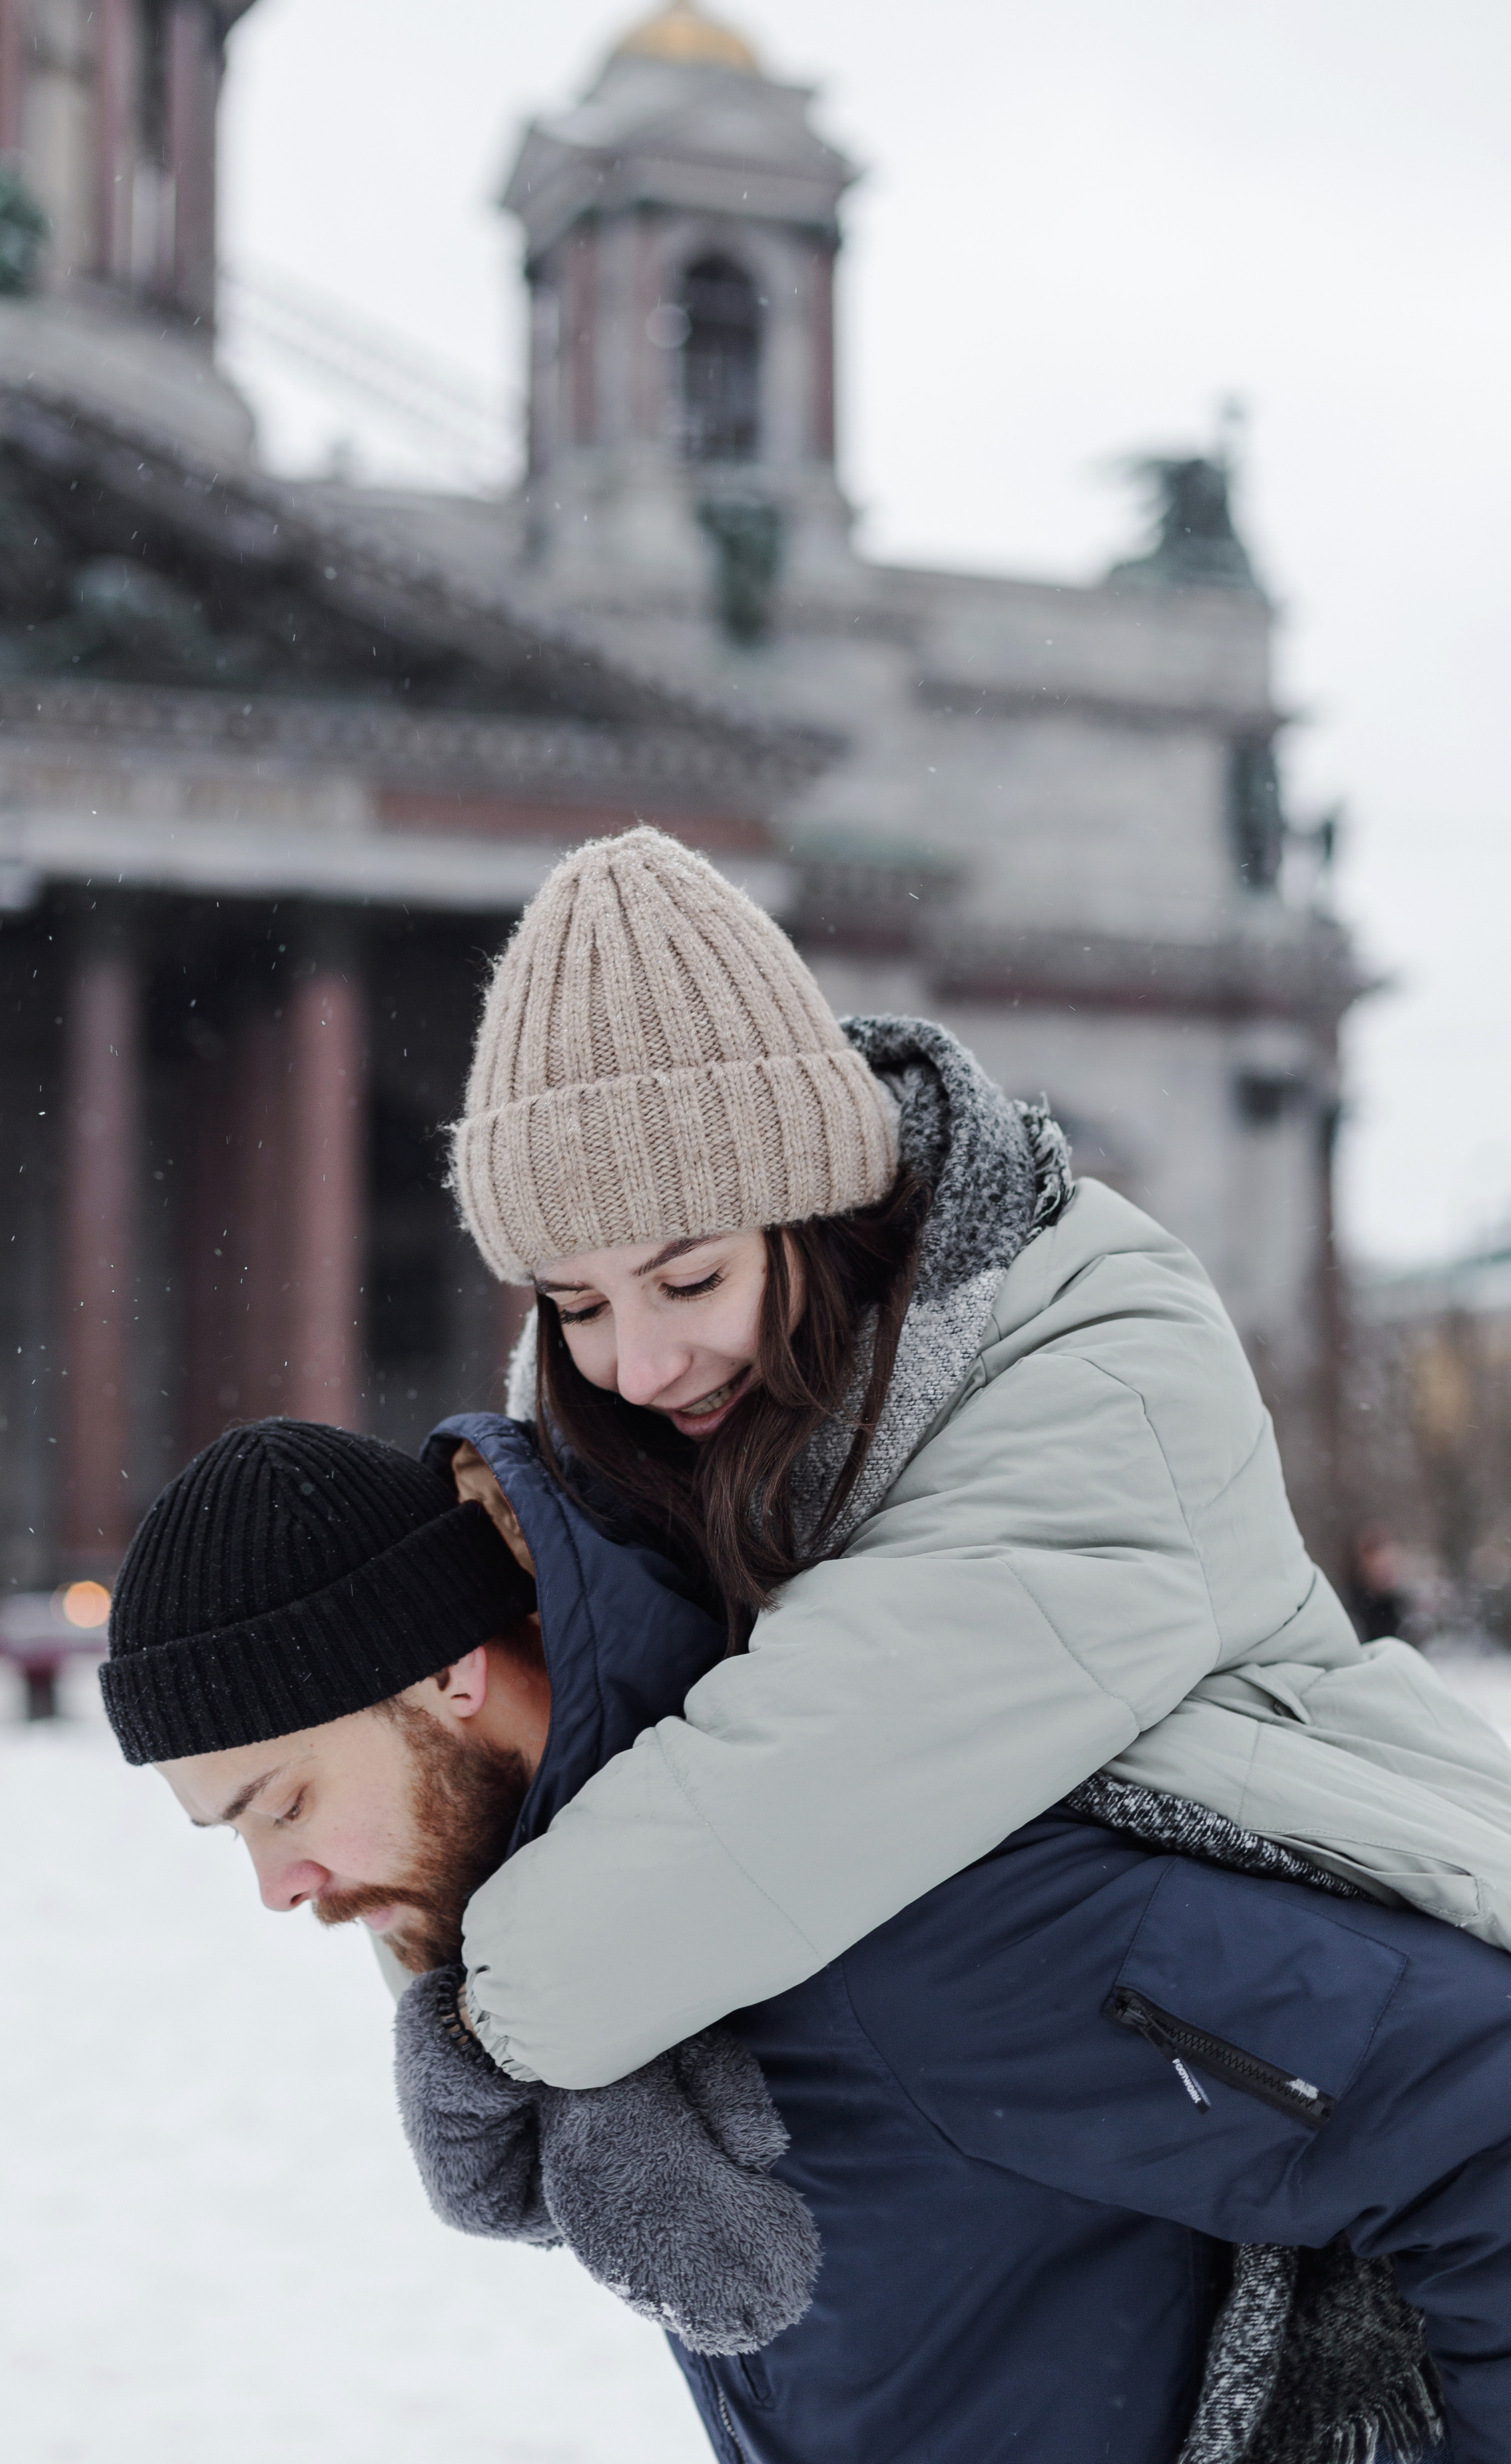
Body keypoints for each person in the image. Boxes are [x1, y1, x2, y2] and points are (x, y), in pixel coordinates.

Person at [102, 1413, 1499, 2464]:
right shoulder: (611, 1965)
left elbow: (1475, 2117)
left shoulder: (889, 1918)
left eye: (277, 1804)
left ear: (447, 1672)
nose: (276, 1888)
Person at [445, 826, 1511, 2089]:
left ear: (821, 1213)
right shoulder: (666, 1454)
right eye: (575, 1306)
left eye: (690, 1278)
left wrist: (469, 2026)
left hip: (1433, 2086)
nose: (638, 1364)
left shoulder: (1096, 1383)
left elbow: (615, 1947)